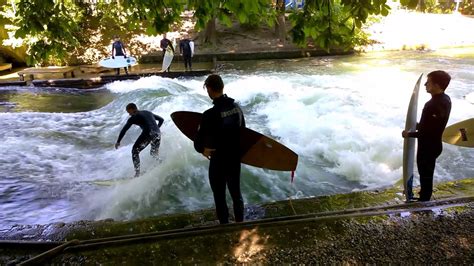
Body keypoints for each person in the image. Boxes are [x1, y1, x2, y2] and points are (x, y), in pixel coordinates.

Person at [194, 74, 246, 224]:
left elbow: (198, 140)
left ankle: (224, 225)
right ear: (222, 87)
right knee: (236, 194)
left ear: (209, 88)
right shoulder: (237, 109)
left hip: (218, 161)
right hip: (235, 158)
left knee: (219, 195)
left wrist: (202, 150)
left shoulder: (209, 115)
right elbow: (244, 133)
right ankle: (240, 224)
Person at [402, 70, 452, 201]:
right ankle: (424, 196)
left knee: (425, 174)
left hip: (428, 146)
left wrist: (409, 134)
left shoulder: (433, 104)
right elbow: (432, 125)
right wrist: (417, 125)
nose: (425, 85)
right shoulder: (446, 99)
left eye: (428, 82)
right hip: (435, 144)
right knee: (426, 173)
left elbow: (428, 132)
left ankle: (424, 200)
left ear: (436, 85)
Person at [115, 103, 164, 177]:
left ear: (132, 109)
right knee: (153, 154)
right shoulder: (148, 112)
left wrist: (118, 141)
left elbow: (124, 130)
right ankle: (162, 163)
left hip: (148, 133)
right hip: (157, 134)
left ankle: (137, 174)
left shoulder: (134, 117)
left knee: (135, 151)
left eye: (129, 112)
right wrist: (157, 129)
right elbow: (161, 119)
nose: (129, 114)